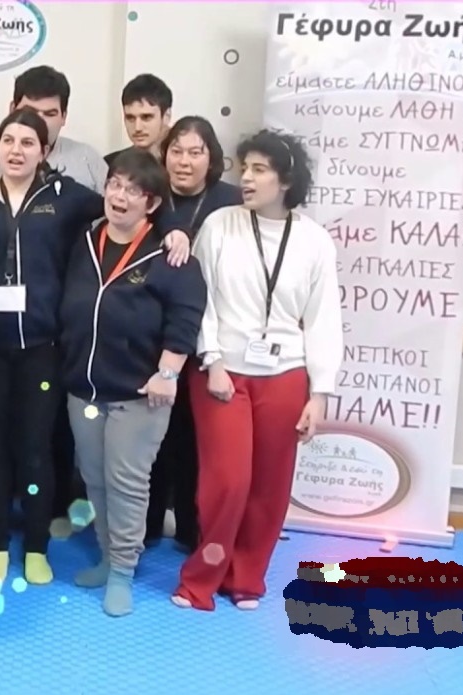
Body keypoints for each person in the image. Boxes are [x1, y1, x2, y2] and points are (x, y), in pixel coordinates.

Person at [173, 130, 343, 612]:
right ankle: (200, 580)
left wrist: (320, 392)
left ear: (285, 180)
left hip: (286, 374)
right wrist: (212, 359)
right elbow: (199, 299)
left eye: (259, 170)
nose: (245, 178)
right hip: (222, 372)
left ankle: (246, 578)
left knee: (269, 485)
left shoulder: (314, 241)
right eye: (244, 168)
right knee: (226, 482)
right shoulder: (220, 226)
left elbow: (323, 319)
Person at [0, 108, 105, 585]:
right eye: (8, 141)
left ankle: (35, 545)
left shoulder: (67, 199)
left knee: (36, 449)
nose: (16, 150)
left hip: (42, 348)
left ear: (44, 151)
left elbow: (124, 208)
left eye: (28, 143)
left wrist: (172, 230)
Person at [59, 150, 207, 617]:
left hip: (140, 393)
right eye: (115, 185)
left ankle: (123, 570)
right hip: (84, 388)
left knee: (126, 482)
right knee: (94, 478)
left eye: (133, 190)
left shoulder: (169, 253)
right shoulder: (87, 239)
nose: (120, 196)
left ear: (152, 203)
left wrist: (168, 372)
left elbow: (186, 316)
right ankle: (108, 556)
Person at [143, 116, 243, 553]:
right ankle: (146, 527)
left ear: (211, 158)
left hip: (210, 338)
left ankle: (191, 527)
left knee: (195, 440)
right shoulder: (150, 196)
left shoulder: (231, 203)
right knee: (153, 439)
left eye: (195, 152)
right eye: (176, 151)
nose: (184, 161)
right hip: (153, 338)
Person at [0, 66, 107, 193]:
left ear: (63, 117)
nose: (39, 121)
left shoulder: (87, 159)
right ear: (13, 109)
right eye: (30, 112)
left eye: (50, 114)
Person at [104, 74, 173, 165]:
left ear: (166, 116)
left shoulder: (181, 164)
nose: (137, 127)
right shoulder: (110, 164)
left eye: (146, 117)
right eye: (130, 118)